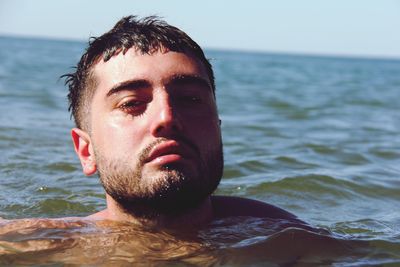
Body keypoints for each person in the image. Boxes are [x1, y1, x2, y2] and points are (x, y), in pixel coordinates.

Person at [60, 15, 309, 228]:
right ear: (86, 151)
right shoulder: (38, 246)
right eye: (131, 103)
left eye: (190, 99)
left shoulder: (294, 244)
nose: (167, 118)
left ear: (217, 128)